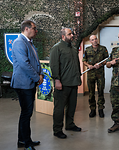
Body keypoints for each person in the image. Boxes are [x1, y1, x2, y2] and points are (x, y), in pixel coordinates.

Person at [10, 20, 43, 150]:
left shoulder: (28, 42)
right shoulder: (19, 42)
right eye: (34, 28)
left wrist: (40, 74)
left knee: (26, 113)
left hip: (28, 83)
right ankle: (27, 143)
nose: (36, 31)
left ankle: (22, 140)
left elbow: (35, 61)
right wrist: (37, 77)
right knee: (26, 113)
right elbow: (24, 64)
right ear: (27, 29)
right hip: (23, 84)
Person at [50, 28, 82, 139]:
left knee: (72, 106)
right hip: (62, 84)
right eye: (69, 34)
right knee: (59, 108)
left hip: (73, 82)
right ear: (63, 36)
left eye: (72, 33)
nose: (72, 35)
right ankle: (57, 129)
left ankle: (70, 124)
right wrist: (57, 80)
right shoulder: (57, 48)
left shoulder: (73, 49)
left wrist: (79, 78)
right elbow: (54, 66)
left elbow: (76, 65)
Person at [82, 35, 109, 118]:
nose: (95, 41)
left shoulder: (103, 49)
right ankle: (92, 109)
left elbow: (107, 59)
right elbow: (84, 60)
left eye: (95, 39)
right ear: (90, 41)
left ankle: (101, 109)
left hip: (100, 74)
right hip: (91, 74)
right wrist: (88, 65)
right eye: (92, 40)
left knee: (100, 91)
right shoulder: (87, 50)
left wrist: (100, 64)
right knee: (91, 93)